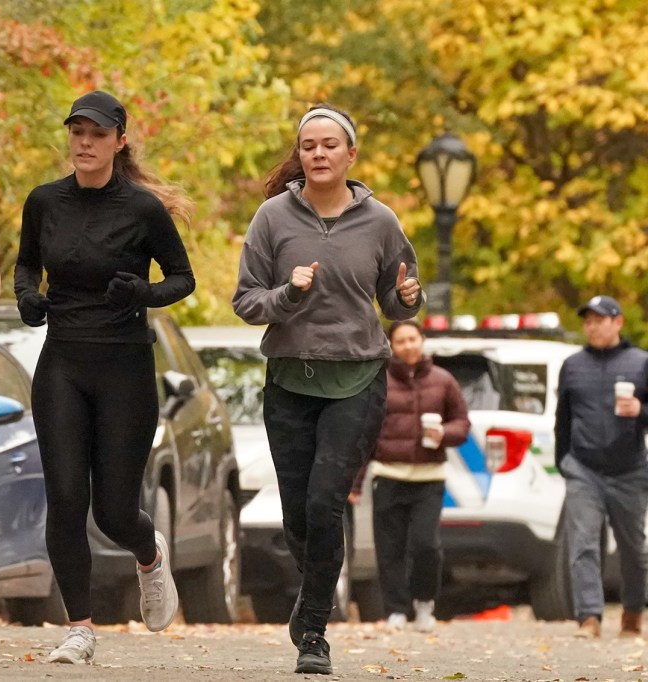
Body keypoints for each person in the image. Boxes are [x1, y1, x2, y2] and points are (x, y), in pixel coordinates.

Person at [232, 103, 423, 675]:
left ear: (350, 155)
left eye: (330, 145)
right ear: (301, 154)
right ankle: (314, 595)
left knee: (324, 502)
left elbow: (396, 301)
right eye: (309, 145)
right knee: (297, 513)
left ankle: (313, 627)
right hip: (289, 379)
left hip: (357, 378)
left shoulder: (382, 222)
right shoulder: (272, 217)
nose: (318, 153)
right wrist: (286, 295)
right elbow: (246, 302)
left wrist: (408, 300)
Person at [14, 90, 195, 664]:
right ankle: (80, 629)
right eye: (76, 132)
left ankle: (148, 554)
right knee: (66, 497)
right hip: (62, 361)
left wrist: (143, 292)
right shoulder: (44, 201)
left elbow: (183, 278)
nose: (84, 143)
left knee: (113, 511)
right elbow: (24, 263)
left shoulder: (142, 209)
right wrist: (26, 295)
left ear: (119, 140)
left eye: (96, 134)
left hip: (124, 366)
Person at [349, 319, 470, 632]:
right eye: (400, 341)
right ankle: (396, 610)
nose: (407, 346)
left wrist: (444, 432)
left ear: (422, 340)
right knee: (390, 548)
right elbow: (366, 433)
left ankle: (425, 603)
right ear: (392, 346)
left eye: (412, 339)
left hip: (429, 478)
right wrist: (355, 481)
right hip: (388, 475)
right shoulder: (379, 381)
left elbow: (462, 423)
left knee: (426, 544)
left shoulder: (444, 380)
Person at [555, 295, 648, 639]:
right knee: (583, 543)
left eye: (599, 319)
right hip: (584, 468)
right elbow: (562, 418)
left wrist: (640, 409)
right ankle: (589, 617)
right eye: (588, 320)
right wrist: (564, 460)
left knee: (634, 549)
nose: (592, 326)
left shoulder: (641, 363)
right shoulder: (573, 365)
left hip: (629, 469)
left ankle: (633, 611)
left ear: (618, 322)